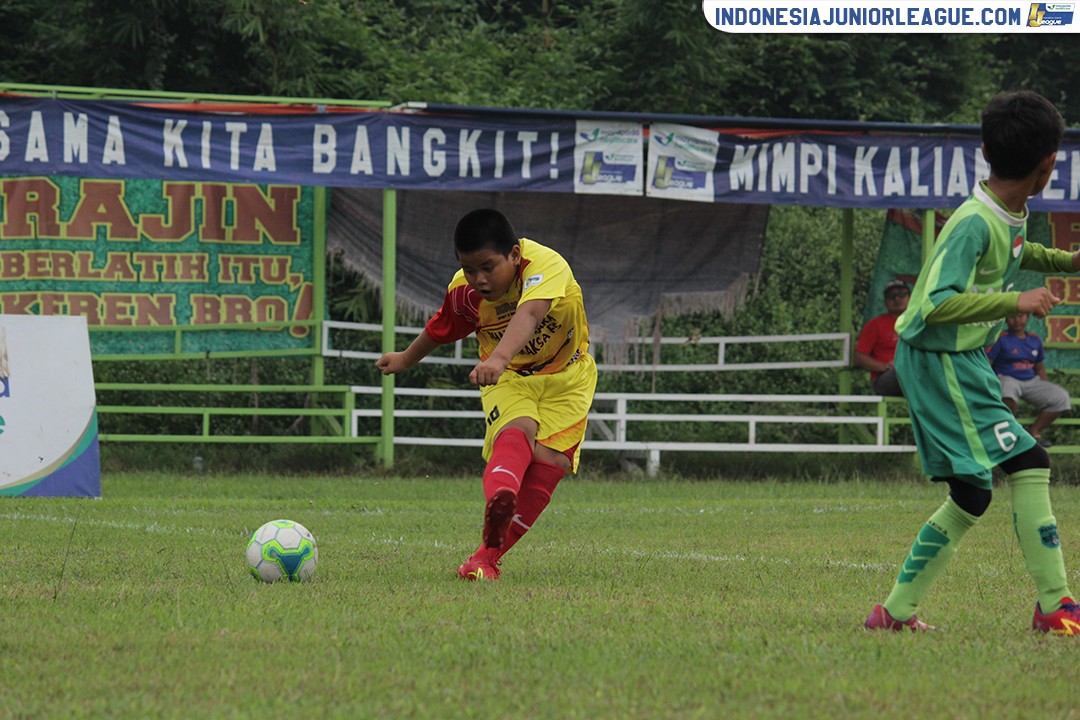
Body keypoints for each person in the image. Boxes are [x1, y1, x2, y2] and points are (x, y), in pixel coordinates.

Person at [864, 90, 1080, 634]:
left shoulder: (1005, 210)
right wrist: (1015, 301)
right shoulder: (972, 223)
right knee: (1029, 462)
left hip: (963, 360)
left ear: (985, 152)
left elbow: (1015, 251)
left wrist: (1067, 261)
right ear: (1048, 165)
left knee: (973, 492)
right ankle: (1056, 606)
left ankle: (892, 613)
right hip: (940, 361)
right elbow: (934, 305)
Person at [376, 208, 598, 581]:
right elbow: (441, 328)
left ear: (514, 255)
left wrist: (497, 356)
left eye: (488, 267)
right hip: (509, 378)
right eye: (469, 269)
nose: (478, 279)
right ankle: (502, 498)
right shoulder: (463, 294)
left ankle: (483, 558)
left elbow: (529, 313)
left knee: (551, 464)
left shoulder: (546, 264)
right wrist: (405, 358)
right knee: (518, 429)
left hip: (567, 377)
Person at [987, 312, 1071, 447]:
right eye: (1012, 316)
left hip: (1030, 381)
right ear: (1006, 320)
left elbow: (1039, 368)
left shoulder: (1034, 340)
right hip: (1006, 378)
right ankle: (1013, 431)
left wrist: (1044, 388)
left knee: (1061, 397)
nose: (1016, 320)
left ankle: (1034, 432)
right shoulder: (1000, 338)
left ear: (1027, 317)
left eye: (1020, 316)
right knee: (1007, 388)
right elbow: (988, 363)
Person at [853, 279, 909, 396]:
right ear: (885, 302)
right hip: (886, 379)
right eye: (891, 296)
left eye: (901, 294)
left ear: (910, 297)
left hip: (913, 374)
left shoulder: (918, 322)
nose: (897, 299)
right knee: (901, 371)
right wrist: (884, 366)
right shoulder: (875, 324)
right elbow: (859, 357)